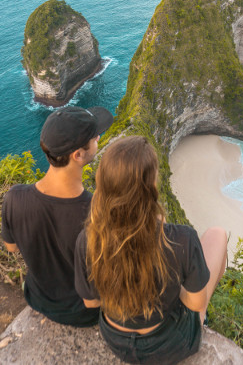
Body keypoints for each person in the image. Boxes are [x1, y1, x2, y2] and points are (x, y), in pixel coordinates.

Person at [74, 136, 227, 364]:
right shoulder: (181, 239)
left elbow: (91, 302)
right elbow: (195, 304)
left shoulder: (89, 238)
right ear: (152, 186)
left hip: (114, 337)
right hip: (167, 345)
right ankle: (203, 324)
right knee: (218, 234)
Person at [1, 105, 113, 327]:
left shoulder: (14, 197)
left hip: (37, 298)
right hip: (84, 312)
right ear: (78, 155)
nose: (99, 137)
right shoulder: (97, 211)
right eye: (94, 137)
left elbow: (11, 247)